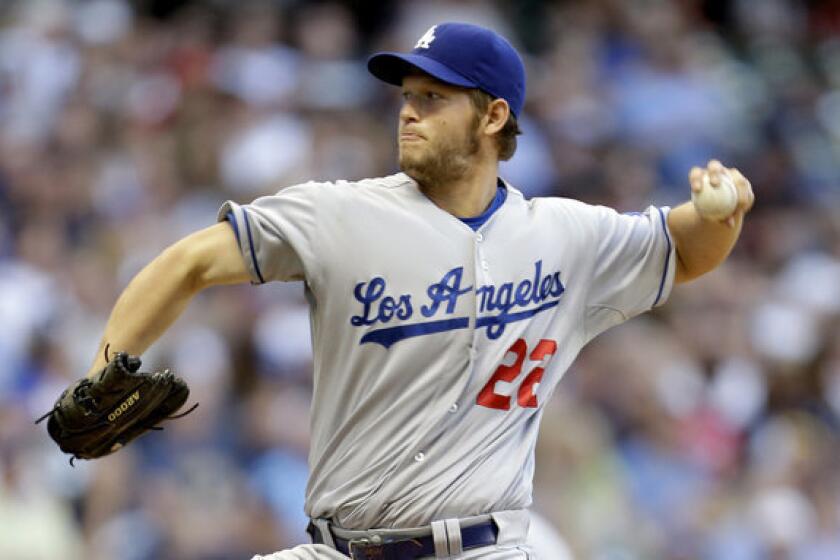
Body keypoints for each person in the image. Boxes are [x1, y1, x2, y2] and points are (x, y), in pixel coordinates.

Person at [77, 22, 754, 560]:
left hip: (485, 546)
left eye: (433, 98)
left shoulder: (565, 236)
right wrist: (103, 370)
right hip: (339, 548)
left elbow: (683, 248)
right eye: (407, 95)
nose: (409, 111)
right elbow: (189, 261)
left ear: (493, 117)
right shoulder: (340, 214)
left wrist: (718, 216)